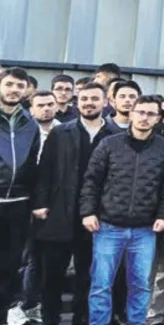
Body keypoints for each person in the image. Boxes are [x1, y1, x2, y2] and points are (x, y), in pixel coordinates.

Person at [79, 95, 164, 325]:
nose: (145, 117)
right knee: (101, 284)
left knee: (141, 286)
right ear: (131, 114)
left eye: (151, 114)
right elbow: (91, 181)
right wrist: (88, 212)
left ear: (158, 118)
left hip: (144, 230)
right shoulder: (110, 144)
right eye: (141, 112)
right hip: (108, 227)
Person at [31, 81, 118, 325]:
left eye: (94, 98)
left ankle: (82, 319)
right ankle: (50, 319)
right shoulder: (61, 132)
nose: (88, 103)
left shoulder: (115, 136)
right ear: (76, 102)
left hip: (97, 218)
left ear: (105, 102)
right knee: (52, 277)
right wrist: (40, 204)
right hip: (59, 213)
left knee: (88, 278)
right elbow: (44, 171)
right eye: (84, 98)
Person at [0, 67, 39, 317]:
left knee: (10, 264)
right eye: (10, 84)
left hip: (18, 204)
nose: (14, 90)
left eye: (20, 86)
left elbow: (34, 162)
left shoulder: (30, 123)